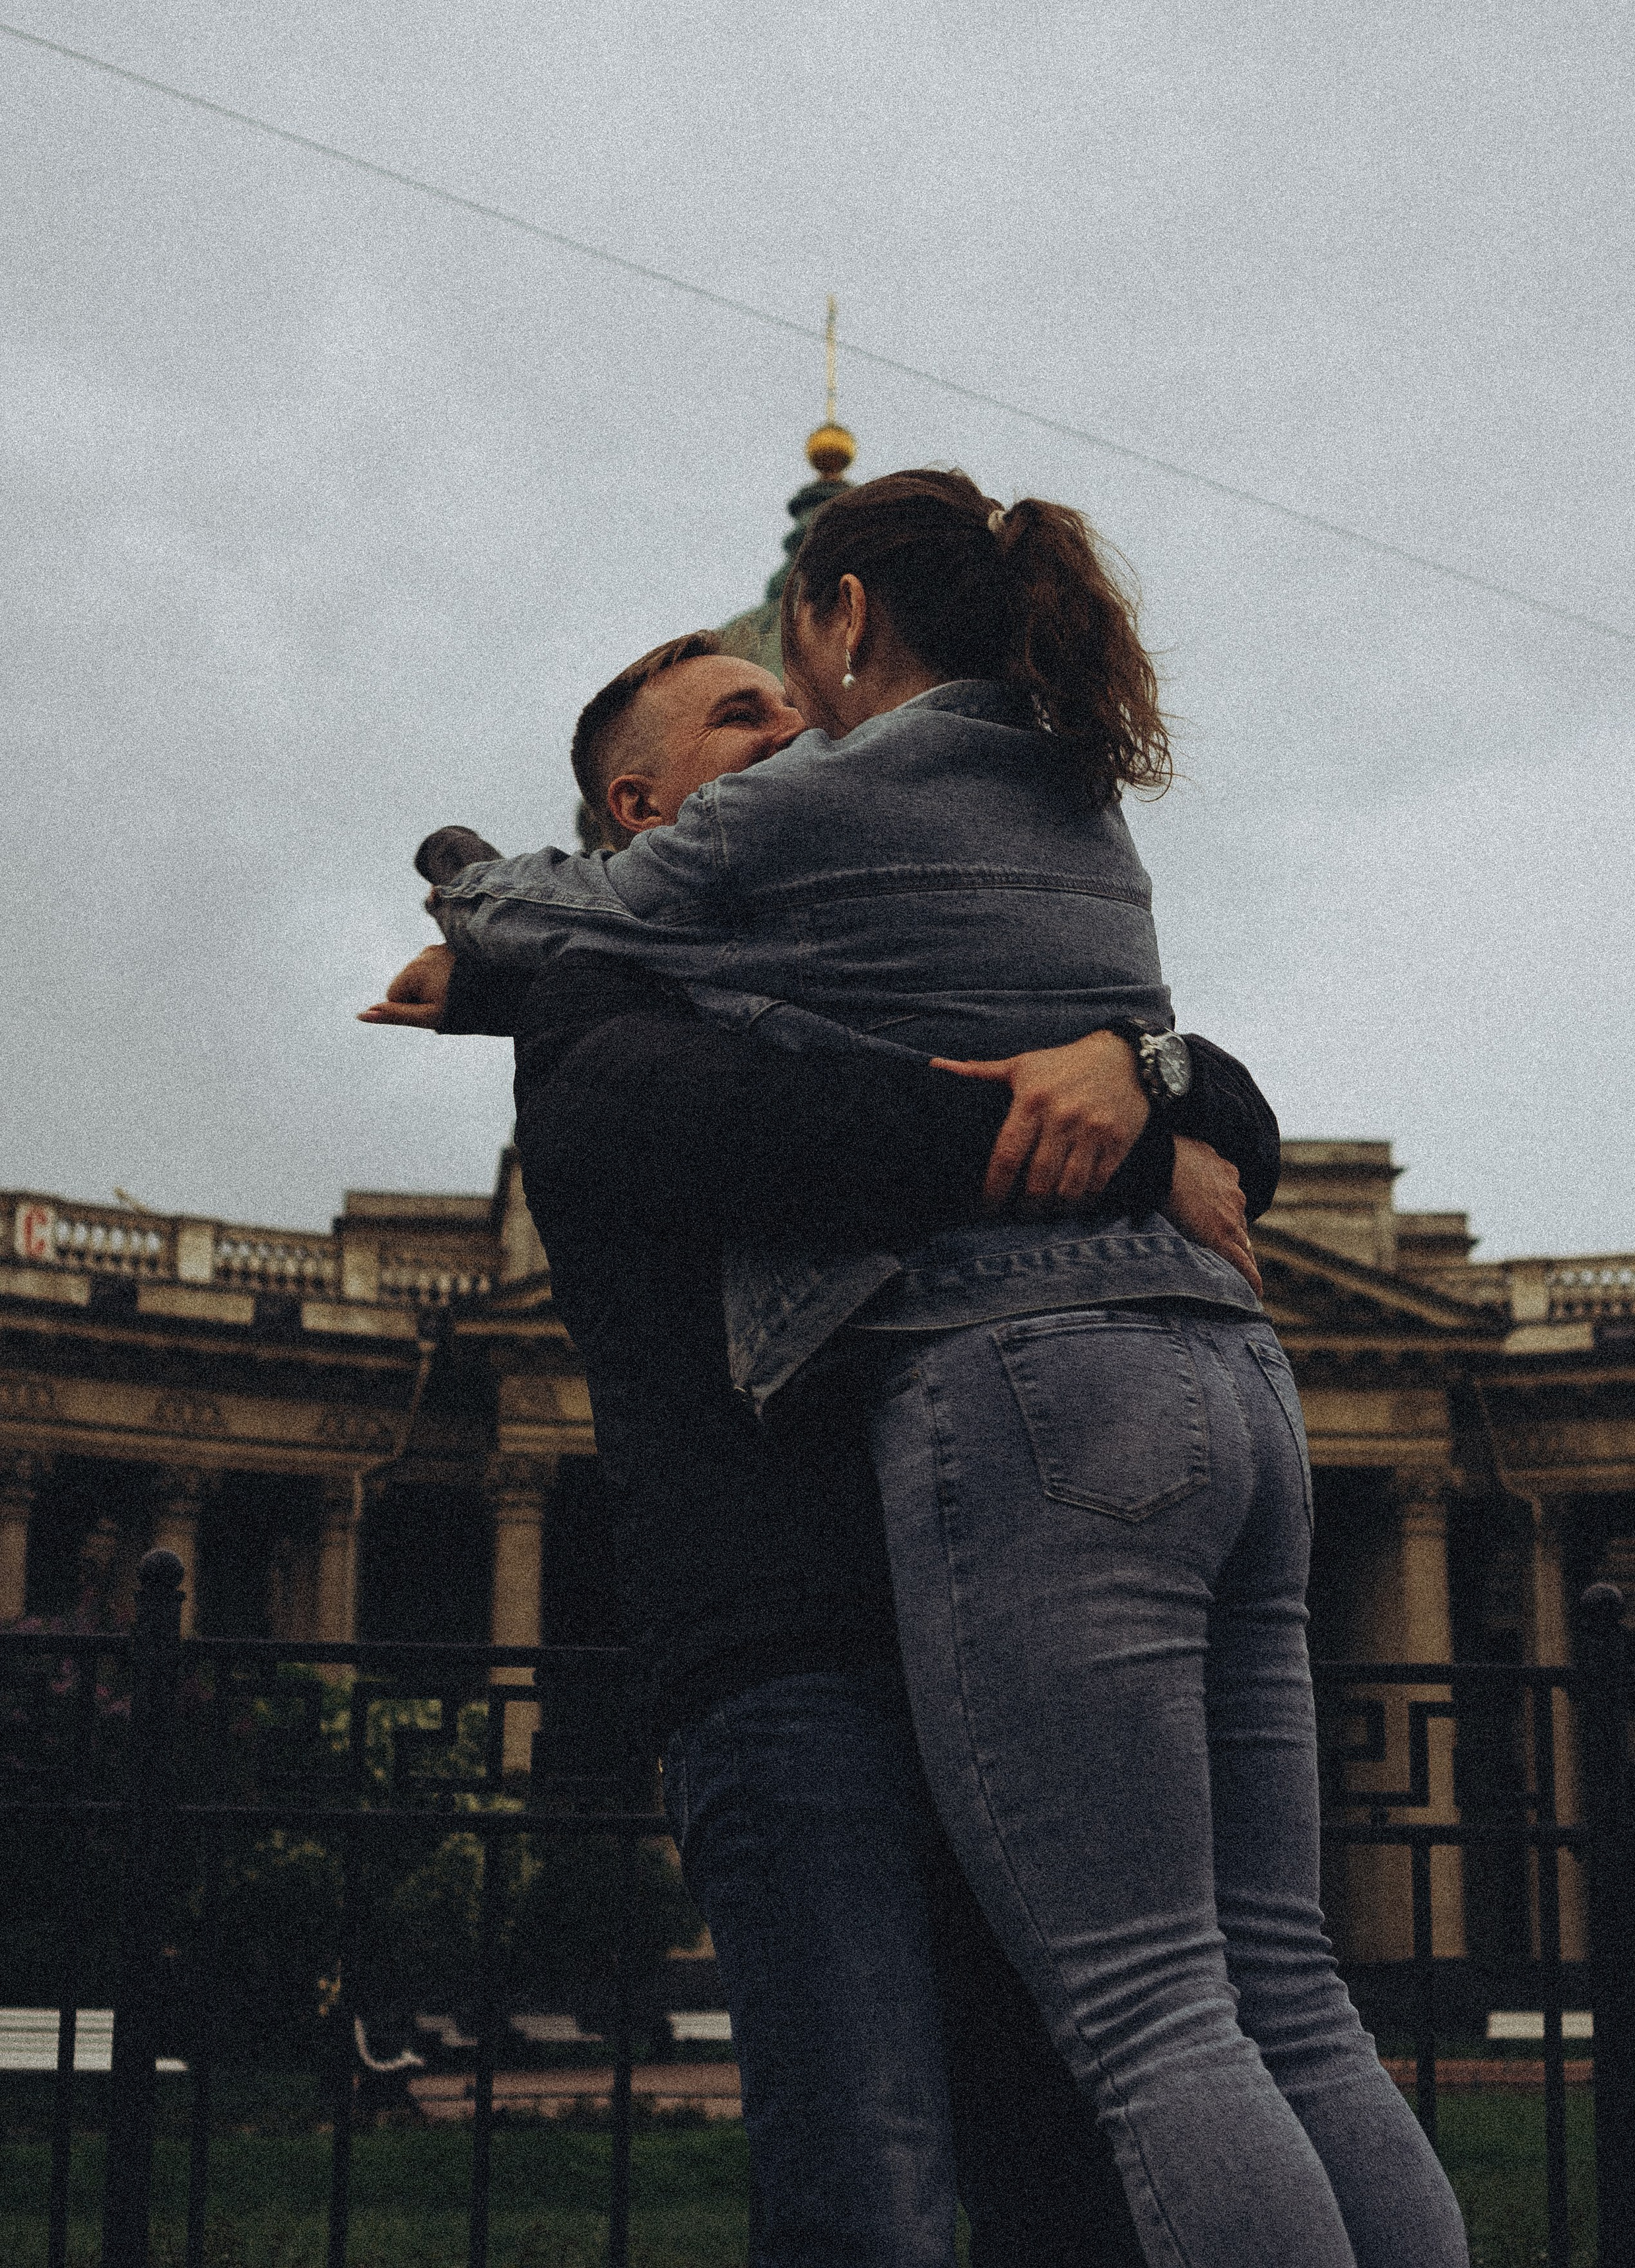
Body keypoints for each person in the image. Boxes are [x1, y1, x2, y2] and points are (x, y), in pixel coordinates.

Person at [372, 475, 1467, 2265]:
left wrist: (1144, 1069)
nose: (797, 731)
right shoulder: (601, 1028)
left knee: (1135, 2077)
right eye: (743, 719)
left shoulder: (837, 916)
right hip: (801, 1661)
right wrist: (1128, 1108)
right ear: (635, 813)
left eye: (793, 701)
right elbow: (801, 1125)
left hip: (1004, 1582)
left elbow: (1224, 1117)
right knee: (919, 2160)